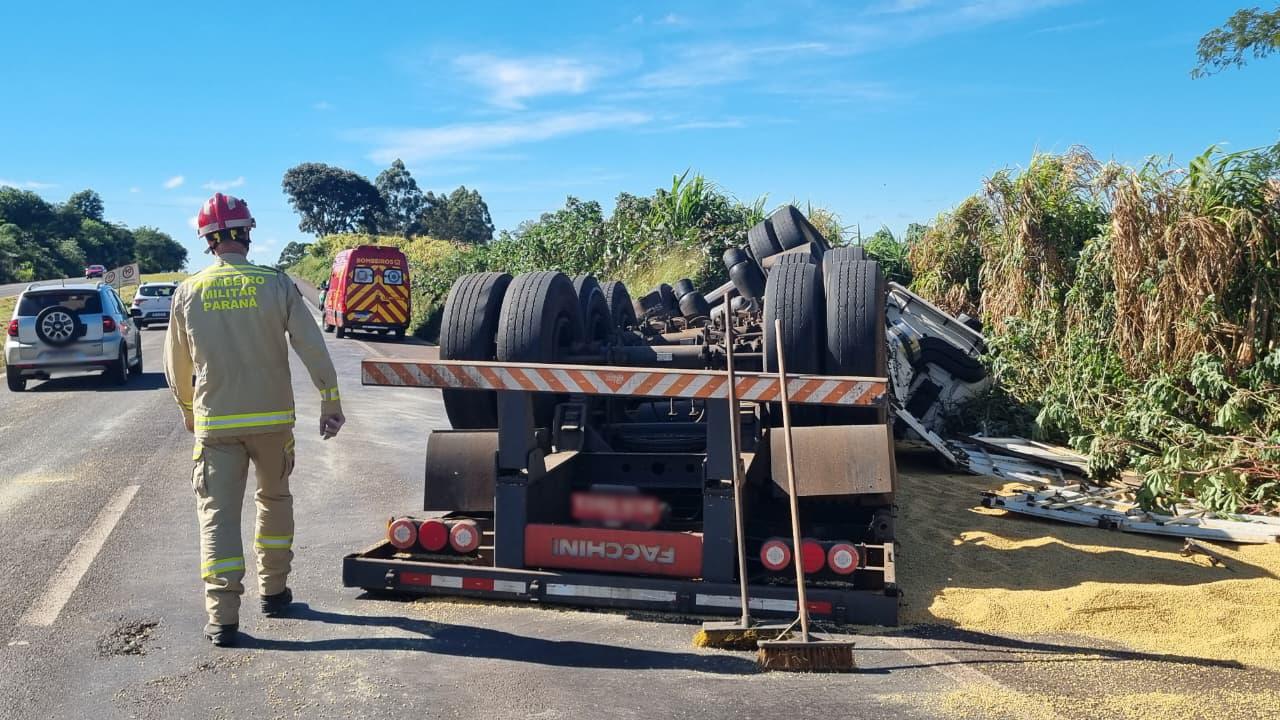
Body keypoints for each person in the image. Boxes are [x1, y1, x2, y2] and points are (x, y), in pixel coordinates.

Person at [163, 192, 346, 647]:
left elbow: (176, 366)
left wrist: (190, 412)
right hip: (273, 423)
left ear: (207, 241)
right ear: (247, 232)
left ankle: (222, 620)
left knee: (218, 517)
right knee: (275, 501)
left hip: (217, 427)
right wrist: (329, 400)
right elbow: (311, 345)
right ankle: (275, 593)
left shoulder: (189, 290)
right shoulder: (275, 283)